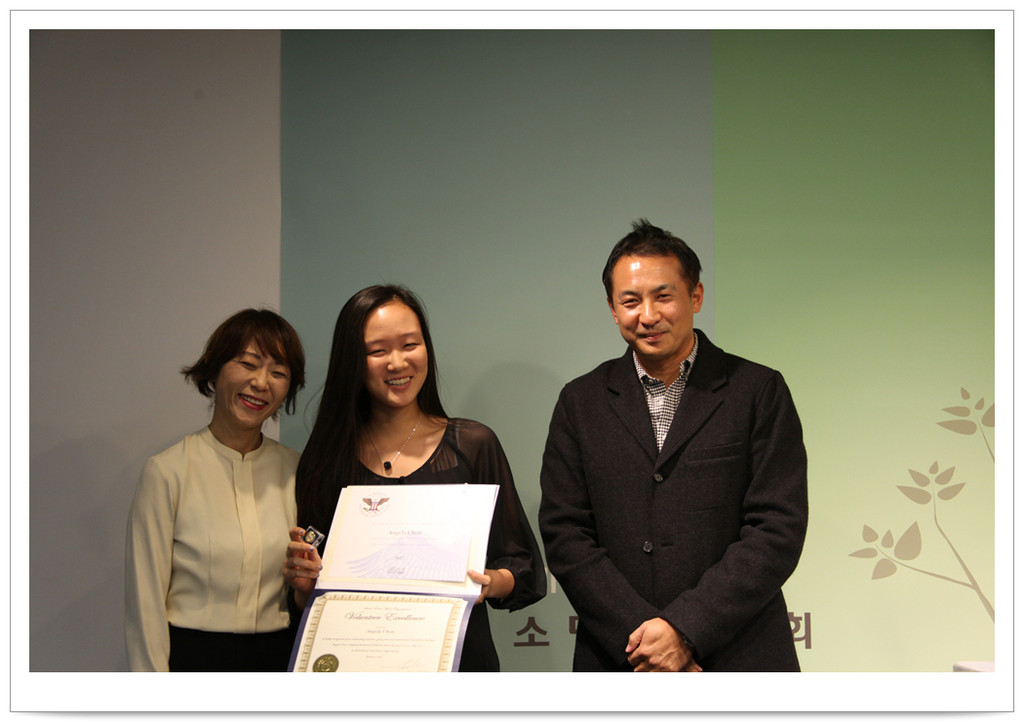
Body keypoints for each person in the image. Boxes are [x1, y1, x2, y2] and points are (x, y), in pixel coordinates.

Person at [538, 219, 808, 672]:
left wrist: (685, 630)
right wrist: (645, 638)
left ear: (695, 296)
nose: (647, 315)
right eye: (630, 301)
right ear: (612, 309)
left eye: (663, 296)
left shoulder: (757, 390)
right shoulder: (580, 402)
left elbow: (777, 527)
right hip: (622, 658)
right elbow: (565, 533)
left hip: (740, 656)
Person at [283, 284, 545, 672]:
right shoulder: (325, 459)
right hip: (360, 668)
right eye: (377, 351)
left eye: (410, 345)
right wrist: (304, 586)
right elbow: (313, 598)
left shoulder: (473, 444)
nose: (397, 362)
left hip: (458, 663)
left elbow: (523, 568)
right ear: (352, 361)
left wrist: (488, 582)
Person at [125, 309, 306, 671]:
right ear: (215, 366)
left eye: (279, 372)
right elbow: (145, 605)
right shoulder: (168, 471)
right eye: (248, 364)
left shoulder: (298, 470)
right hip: (193, 658)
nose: (261, 382)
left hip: (278, 658)